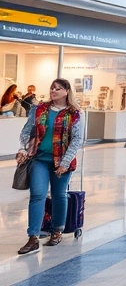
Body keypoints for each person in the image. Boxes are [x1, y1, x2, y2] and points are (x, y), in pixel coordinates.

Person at [15, 78, 85, 254]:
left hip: (62, 161)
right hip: (39, 159)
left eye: (58, 88)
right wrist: (24, 149)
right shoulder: (38, 109)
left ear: (67, 92)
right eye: (52, 88)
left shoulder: (75, 113)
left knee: (58, 194)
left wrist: (65, 163)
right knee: (37, 195)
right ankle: (33, 237)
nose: (53, 91)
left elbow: (77, 140)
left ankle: (57, 230)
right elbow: (27, 131)